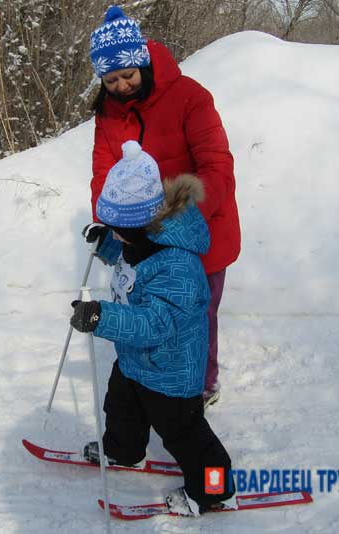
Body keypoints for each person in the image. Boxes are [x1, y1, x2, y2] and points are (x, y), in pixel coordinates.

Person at [70, 141, 236, 515]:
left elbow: (155, 323)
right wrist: (107, 246)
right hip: (135, 359)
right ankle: (124, 451)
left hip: (171, 370)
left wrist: (102, 316)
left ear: (142, 224)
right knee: (121, 406)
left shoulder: (178, 265)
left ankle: (216, 488)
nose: (116, 236)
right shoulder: (142, 238)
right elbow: (132, 261)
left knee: (185, 435)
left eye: (117, 231)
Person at [88, 5, 241, 408]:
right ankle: (149, 385)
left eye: (128, 75)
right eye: (111, 79)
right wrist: (107, 220)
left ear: (144, 65)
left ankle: (201, 385)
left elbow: (217, 165)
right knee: (145, 312)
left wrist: (175, 222)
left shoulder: (189, 96)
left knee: (195, 315)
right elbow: (104, 171)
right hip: (140, 233)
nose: (121, 86)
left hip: (198, 230)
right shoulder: (107, 113)